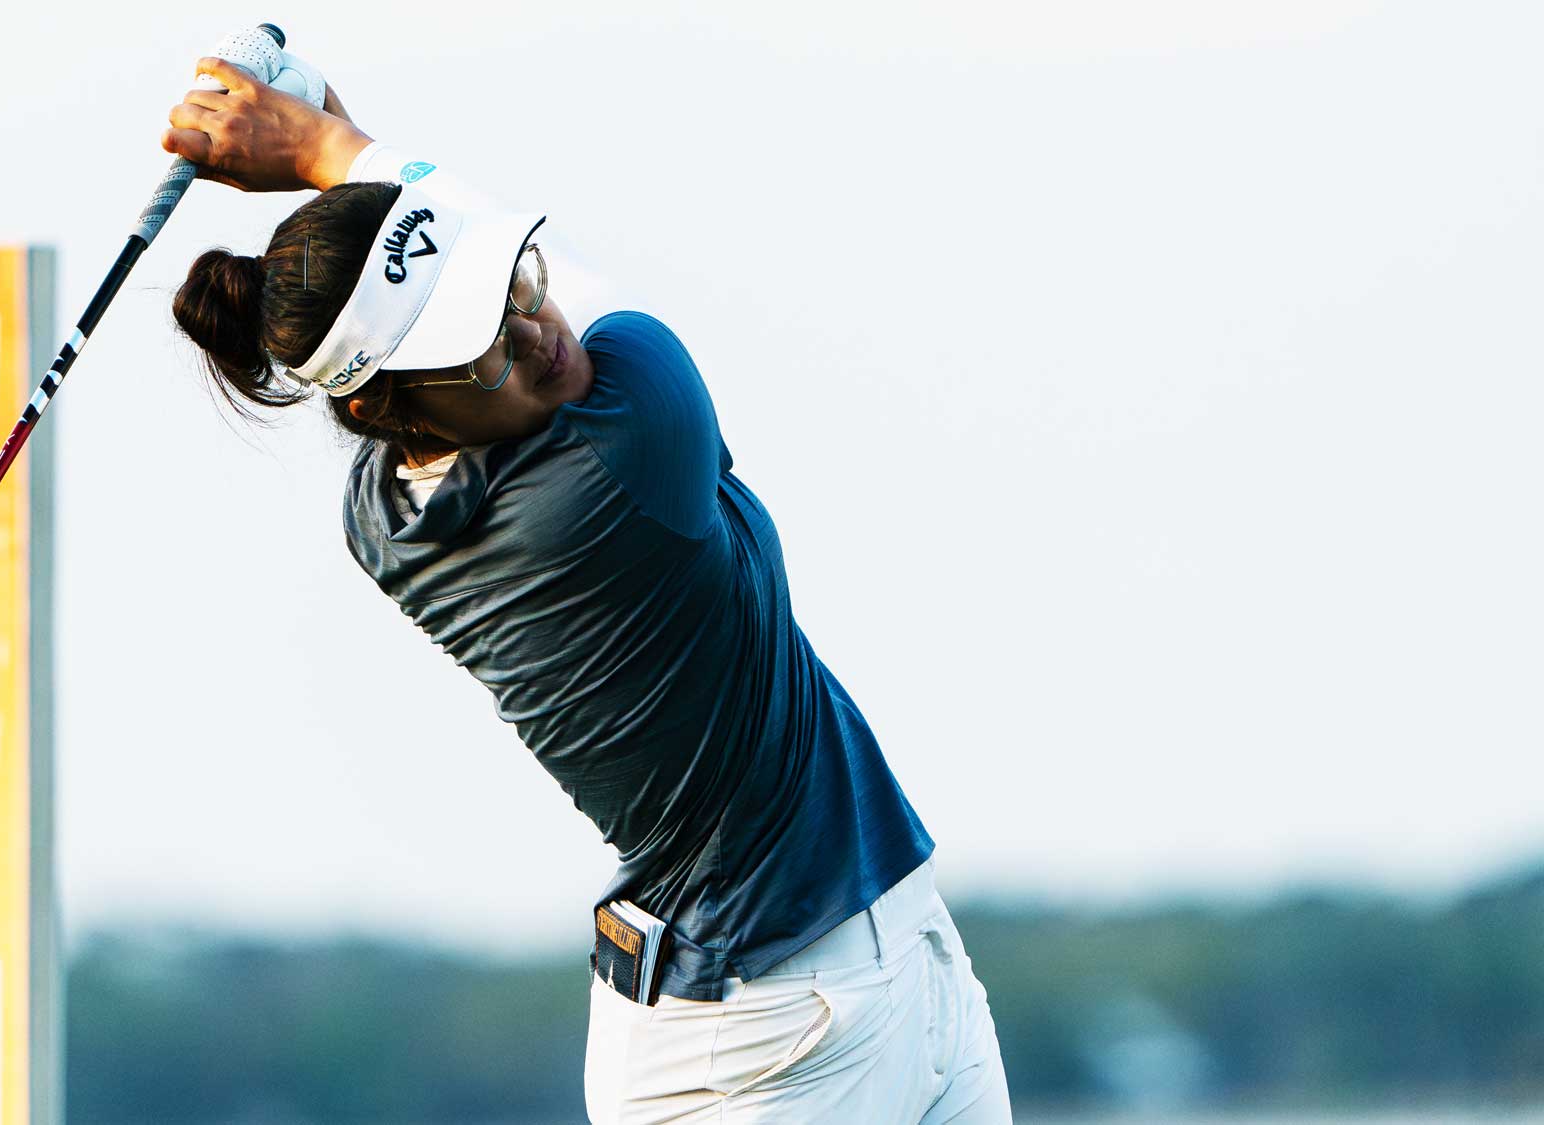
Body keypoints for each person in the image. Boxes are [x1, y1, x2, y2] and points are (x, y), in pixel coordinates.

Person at [162, 54, 1013, 1125]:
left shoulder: (380, 514)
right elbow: (601, 302)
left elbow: (469, 299)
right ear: (385, 411)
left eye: (508, 285)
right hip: (763, 1042)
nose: (538, 334)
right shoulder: (618, 461)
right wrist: (336, 155)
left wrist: (367, 209)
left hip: (857, 967)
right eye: (482, 353)